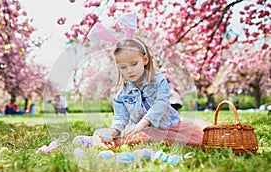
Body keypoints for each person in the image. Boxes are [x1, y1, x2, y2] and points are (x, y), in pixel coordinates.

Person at [73, 37, 210, 149]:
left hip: (168, 127)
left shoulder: (158, 80)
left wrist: (143, 123)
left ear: (145, 60)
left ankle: (108, 144)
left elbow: (160, 104)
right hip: (142, 129)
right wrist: (114, 131)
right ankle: (100, 141)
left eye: (134, 64)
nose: (129, 71)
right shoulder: (122, 94)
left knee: (145, 138)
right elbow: (120, 117)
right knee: (133, 135)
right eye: (123, 67)